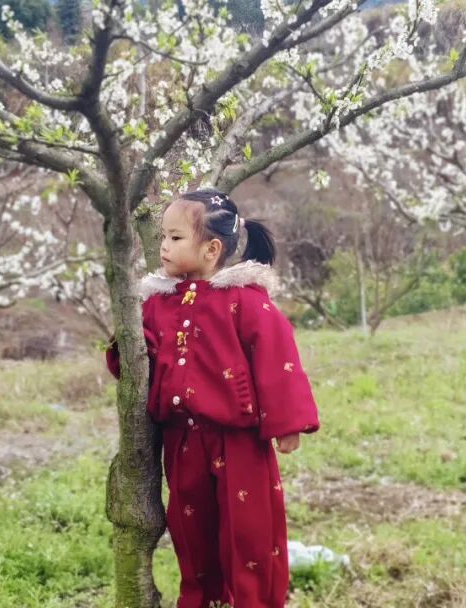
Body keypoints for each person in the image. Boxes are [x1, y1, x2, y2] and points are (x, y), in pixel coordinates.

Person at [105, 188, 320, 607]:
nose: (164, 246)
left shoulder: (244, 300)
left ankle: (253, 601)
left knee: (249, 532)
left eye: (175, 238)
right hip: (182, 442)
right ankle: (202, 598)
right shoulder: (157, 304)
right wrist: (124, 343)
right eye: (163, 237)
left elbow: (278, 358)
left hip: (239, 441)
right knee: (192, 531)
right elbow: (135, 357)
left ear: (212, 249)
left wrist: (288, 423)